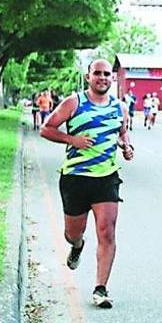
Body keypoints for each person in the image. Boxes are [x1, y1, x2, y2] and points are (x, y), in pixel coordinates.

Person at [40, 59, 134, 309]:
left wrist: (126, 146)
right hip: (75, 178)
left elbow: (122, 131)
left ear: (112, 78)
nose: (102, 78)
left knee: (107, 231)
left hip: (106, 178)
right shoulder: (74, 102)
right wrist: (72, 139)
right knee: (73, 232)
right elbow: (46, 129)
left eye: (106, 74)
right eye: (97, 74)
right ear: (88, 76)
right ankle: (77, 246)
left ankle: (100, 288)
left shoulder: (120, 107)